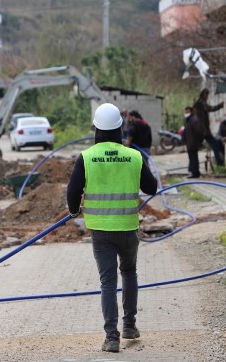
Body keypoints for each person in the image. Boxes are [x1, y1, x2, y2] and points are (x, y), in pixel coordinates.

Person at [66, 103, 158, 353]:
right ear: (120, 127)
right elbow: (151, 188)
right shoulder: (134, 156)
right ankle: (129, 326)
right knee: (129, 273)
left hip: (101, 232)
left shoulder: (86, 157)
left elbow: (73, 192)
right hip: (127, 228)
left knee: (107, 282)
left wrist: (74, 211)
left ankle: (111, 337)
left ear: (96, 128)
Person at [193, 88, 225, 167]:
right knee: (215, 145)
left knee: (193, 148)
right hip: (204, 130)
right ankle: (219, 162)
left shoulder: (198, 103)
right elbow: (209, 109)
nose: (207, 97)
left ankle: (194, 166)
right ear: (204, 94)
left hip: (200, 129)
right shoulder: (202, 102)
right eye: (207, 95)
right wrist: (219, 106)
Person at [182, 106, 203, 178]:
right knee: (192, 158)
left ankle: (195, 173)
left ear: (191, 112)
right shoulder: (189, 120)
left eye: (187, 112)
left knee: (193, 158)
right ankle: (193, 172)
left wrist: (197, 141)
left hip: (193, 143)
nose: (186, 113)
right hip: (190, 143)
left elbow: (199, 131)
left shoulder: (194, 120)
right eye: (185, 112)